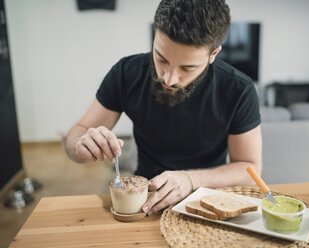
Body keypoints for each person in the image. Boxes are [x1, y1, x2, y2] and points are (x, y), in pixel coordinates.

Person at [64, 0, 262, 216]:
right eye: (161, 58)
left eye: (187, 68)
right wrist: (80, 145)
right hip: (146, 199)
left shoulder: (238, 89)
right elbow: (76, 137)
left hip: (209, 201)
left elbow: (249, 168)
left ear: (213, 54)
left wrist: (190, 179)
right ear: (154, 35)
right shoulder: (125, 73)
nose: (168, 78)